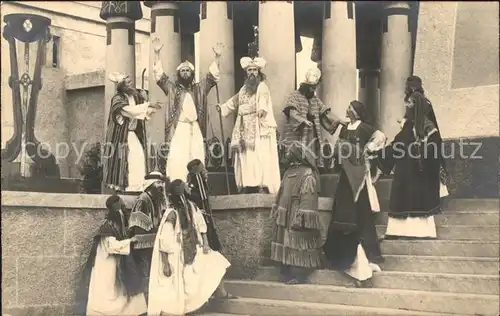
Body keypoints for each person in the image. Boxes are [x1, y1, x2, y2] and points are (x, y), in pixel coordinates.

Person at [322, 100, 386, 288]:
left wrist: (367, 150)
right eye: (348, 106)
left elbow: (380, 137)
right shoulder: (344, 128)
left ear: (358, 112)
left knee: (358, 211)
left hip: (358, 175)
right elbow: (340, 147)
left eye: (351, 107)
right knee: (342, 209)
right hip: (345, 175)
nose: (348, 109)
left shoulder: (365, 128)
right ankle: (339, 257)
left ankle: (365, 259)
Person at [377, 76, 448, 240]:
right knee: (408, 194)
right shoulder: (418, 127)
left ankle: (412, 231)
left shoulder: (422, 126)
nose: (406, 106)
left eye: (409, 105)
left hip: (414, 169)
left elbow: (429, 145)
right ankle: (406, 231)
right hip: (410, 168)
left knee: (411, 194)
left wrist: (420, 153)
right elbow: (401, 144)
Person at [148, 179, 231, 316]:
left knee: (215, 261)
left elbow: (201, 225)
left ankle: (220, 293)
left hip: (194, 246)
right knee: (183, 283)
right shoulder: (172, 213)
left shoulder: (192, 206)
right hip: (176, 253)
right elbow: (165, 240)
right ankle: (186, 307)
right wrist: (165, 263)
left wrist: (205, 243)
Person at [152, 36, 223, 183]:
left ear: (192, 73)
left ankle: (197, 184)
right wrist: (157, 54)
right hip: (179, 129)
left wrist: (217, 57)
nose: (185, 73)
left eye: (187, 71)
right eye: (182, 71)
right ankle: (178, 184)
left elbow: (212, 77)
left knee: (196, 154)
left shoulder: (199, 89)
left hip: (195, 128)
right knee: (178, 156)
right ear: (179, 74)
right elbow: (160, 77)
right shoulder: (173, 89)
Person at [216, 56, 280, 194]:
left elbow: (263, 99)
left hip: (257, 125)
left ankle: (261, 184)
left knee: (258, 154)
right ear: (246, 72)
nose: (252, 72)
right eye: (249, 70)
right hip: (242, 125)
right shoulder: (244, 89)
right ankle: (246, 183)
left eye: (254, 70)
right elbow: (234, 101)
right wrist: (222, 108)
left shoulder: (262, 86)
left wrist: (262, 109)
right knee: (244, 154)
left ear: (259, 72)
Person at [74, 195, 146, 316]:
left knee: (119, 290)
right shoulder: (107, 227)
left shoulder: (116, 225)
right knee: (106, 291)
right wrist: (130, 241)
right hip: (105, 265)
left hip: (114, 263)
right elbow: (111, 246)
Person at [269, 143, 323, 284]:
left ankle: (299, 275)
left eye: (289, 152)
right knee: (285, 242)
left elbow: (308, 197)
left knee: (297, 243)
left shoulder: (307, 174)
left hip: (296, 212)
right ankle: (286, 272)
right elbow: (281, 192)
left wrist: (302, 217)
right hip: (284, 213)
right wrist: (277, 207)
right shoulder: (288, 172)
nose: (286, 155)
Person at [186, 159, 237, 299]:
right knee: (213, 259)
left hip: (199, 227)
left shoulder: (190, 186)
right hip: (203, 228)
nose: (206, 172)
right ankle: (219, 292)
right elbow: (203, 207)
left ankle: (218, 291)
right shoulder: (198, 185)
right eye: (203, 170)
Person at [102, 72, 161, 192]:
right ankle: (129, 187)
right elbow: (130, 111)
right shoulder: (117, 99)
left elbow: (142, 113)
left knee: (138, 157)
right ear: (122, 86)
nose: (131, 85)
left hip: (133, 134)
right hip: (122, 136)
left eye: (131, 82)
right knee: (127, 159)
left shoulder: (135, 97)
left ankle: (137, 187)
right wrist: (147, 104)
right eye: (128, 83)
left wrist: (149, 106)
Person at [282, 67, 348, 170]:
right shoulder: (294, 96)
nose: (313, 89)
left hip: (312, 133)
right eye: (311, 87)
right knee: (299, 157)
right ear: (305, 86)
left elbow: (325, 112)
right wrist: (303, 120)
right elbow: (292, 112)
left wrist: (338, 120)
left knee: (313, 157)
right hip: (299, 133)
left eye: (314, 87)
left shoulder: (315, 99)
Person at [127, 171, 169, 300]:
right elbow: (137, 224)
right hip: (143, 245)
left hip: (152, 243)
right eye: (158, 183)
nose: (161, 185)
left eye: (161, 182)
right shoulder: (143, 200)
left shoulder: (157, 199)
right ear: (150, 184)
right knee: (145, 274)